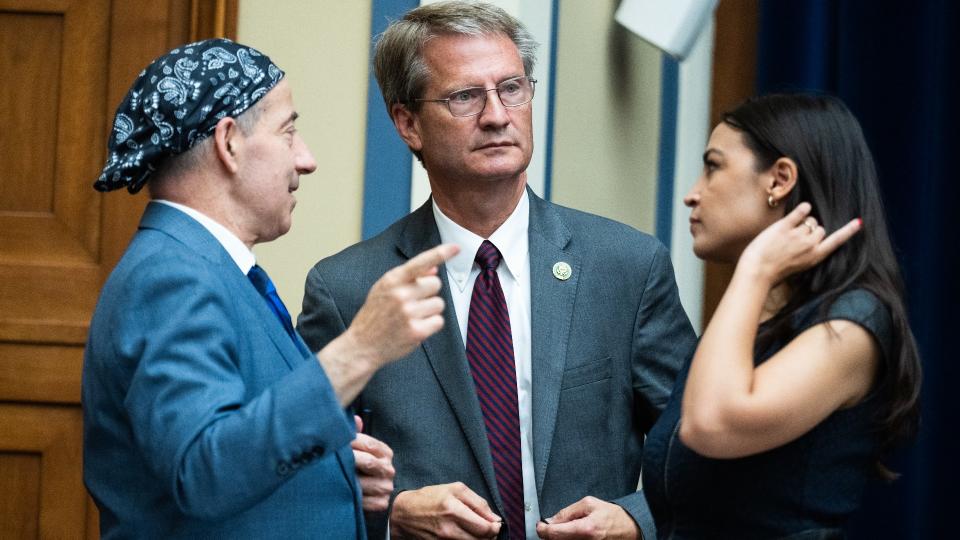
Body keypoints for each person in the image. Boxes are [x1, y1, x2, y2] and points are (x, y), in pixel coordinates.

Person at [296, 2, 697, 539]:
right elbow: (298, 470)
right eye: (465, 96)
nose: (497, 114)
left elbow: (703, 445)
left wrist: (636, 519)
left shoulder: (624, 267)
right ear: (407, 123)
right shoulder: (348, 290)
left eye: (512, 88)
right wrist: (388, 516)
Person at [82, 38, 457, 539]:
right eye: (289, 132)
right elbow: (204, 472)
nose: (306, 160)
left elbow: (234, 451)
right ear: (229, 142)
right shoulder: (172, 277)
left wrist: (332, 473)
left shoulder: (211, 269)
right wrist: (359, 349)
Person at [641, 94, 922, 539]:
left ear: (780, 180)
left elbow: (711, 425)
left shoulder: (853, 322)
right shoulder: (757, 316)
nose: (692, 194)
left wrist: (755, 269)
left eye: (713, 166)